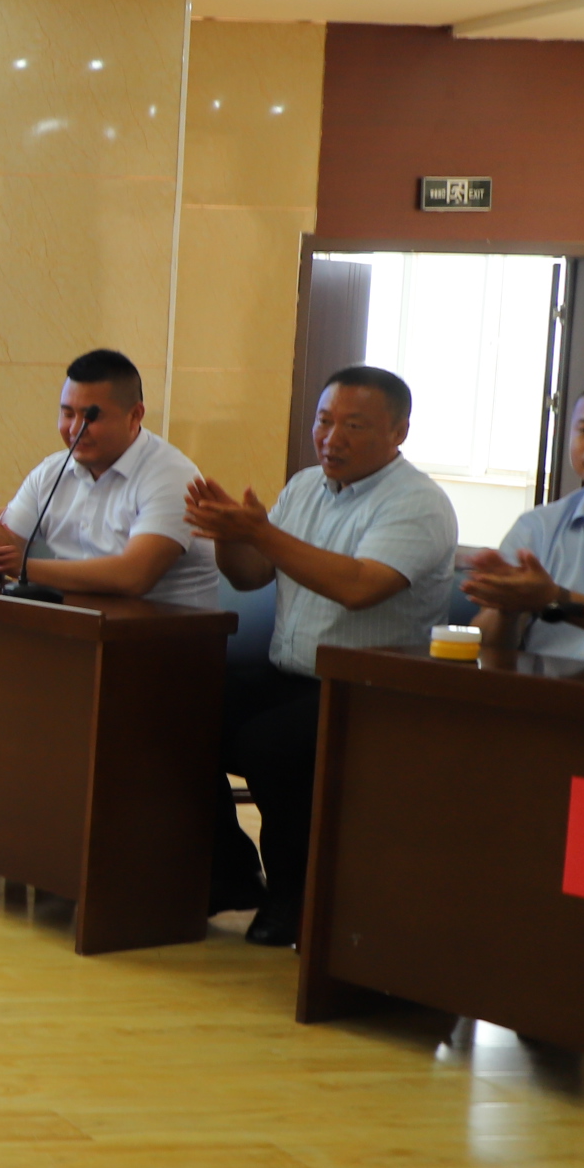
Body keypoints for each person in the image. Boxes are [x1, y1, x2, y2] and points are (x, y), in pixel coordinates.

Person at [186, 365, 459, 948]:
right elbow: (252, 574)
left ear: (399, 432)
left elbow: (359, 586)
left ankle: (299, 897)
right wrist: (230, 533)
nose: (331, 438)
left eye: (353, 426)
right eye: (324, 420)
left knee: (270, 745)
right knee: (175, 708)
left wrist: (262, 533)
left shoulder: (417, 503)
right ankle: (227, 871)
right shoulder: (305, 486)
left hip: (375, 689)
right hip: (292, 673)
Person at [0, 347, 219, 607]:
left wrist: (23, 566)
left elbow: (134, 577)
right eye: (67, 414)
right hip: (75, 621)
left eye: (91, 417)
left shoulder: (172, 476)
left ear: (135, 416)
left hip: (164, 627)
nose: (75, 429)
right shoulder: (51, 472)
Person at [463, 375, 584, 662]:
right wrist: (506, 606)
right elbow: (488, 648)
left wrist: (557, 600)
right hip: (545, 688)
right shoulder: (537, 527)